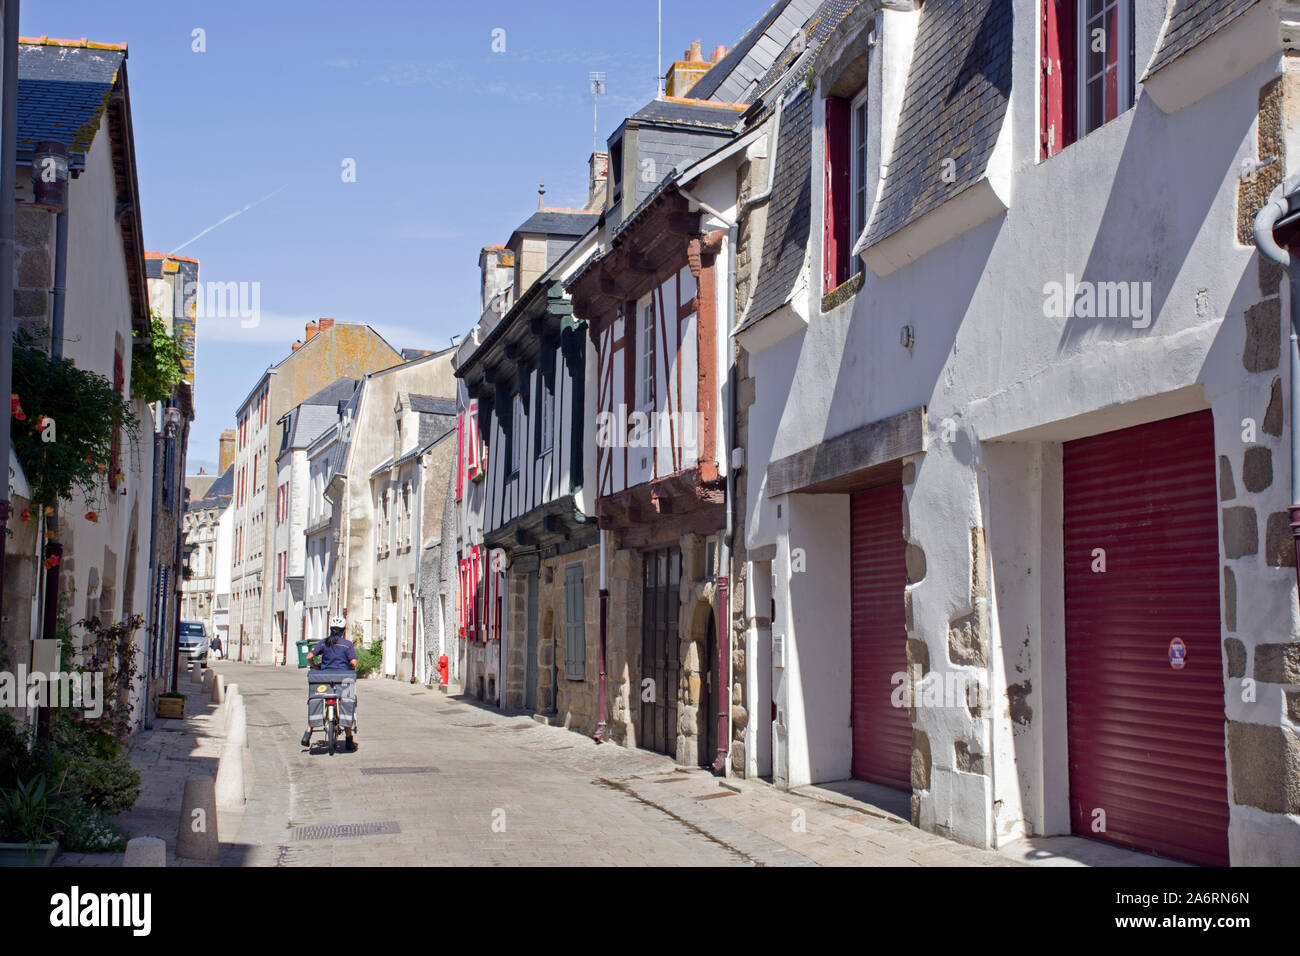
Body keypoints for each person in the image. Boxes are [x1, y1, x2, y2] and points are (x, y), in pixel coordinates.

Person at [301, 616, 358, 751]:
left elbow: (309, 656)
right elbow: (354, 662)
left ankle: (308, 732)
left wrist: (315, 666)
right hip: (343, 679)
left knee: (316, 700)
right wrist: (350, 666)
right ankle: (349, 740)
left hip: (324, 678)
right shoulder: (347, 644)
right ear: (343, 630)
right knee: (346, 703)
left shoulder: (323, 643)